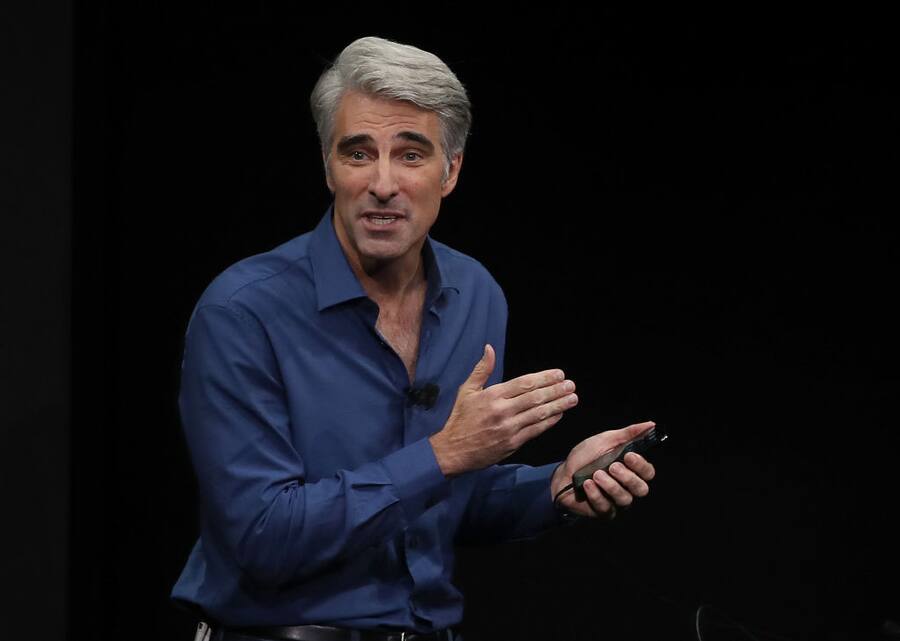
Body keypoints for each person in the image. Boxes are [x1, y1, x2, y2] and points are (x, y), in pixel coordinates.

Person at [171, 36, 658, 641]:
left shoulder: (475, 295)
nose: (382, 183)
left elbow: (449, 498)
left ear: (450, 171)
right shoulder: (243, 312)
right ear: (327, 166)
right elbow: (263, 538)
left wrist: (553, 487)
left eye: (410, 154)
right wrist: (444, 453)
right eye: (357, 154)